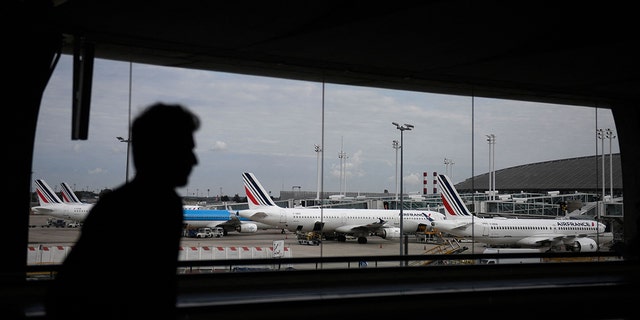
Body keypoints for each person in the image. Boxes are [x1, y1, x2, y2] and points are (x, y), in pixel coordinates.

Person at [45, 103, 200, 320]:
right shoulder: (136, 207)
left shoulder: (163, 203)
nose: (194, 160)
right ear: (160, 152)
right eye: (186, 149)